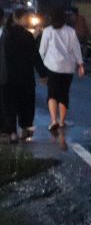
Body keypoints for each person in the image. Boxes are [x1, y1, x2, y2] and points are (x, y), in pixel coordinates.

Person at [38, 7, 85, 131]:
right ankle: (62, 121)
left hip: (52, 66)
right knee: (64, 94)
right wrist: (80, 64)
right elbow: (76, 48)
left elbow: (42, 50)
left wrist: (39, 67)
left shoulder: (48, 31)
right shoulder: (70, 31)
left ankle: (53, 120)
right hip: (68, 68)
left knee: (52, 94)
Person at [3, 9, 45, 143]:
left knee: (9, 106)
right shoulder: (26, 36)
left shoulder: (5, 35)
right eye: (26, 17)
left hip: (7, 77)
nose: (28, 20)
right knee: (25, 104)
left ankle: (12, 132)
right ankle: (24, 129)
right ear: (18, 19)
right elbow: (34, 56)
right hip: (25, 77)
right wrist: (43, 73)